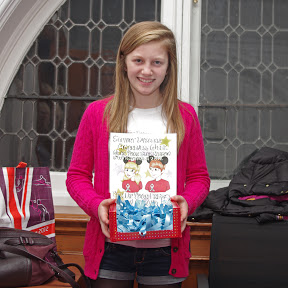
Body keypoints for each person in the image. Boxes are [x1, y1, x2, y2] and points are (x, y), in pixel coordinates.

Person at [66, 21, 210, 288]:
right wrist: (97, 206)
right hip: (109, 249)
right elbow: (77, 176)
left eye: (157, 62)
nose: (146, 71)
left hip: (166, 250)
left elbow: (199, 177)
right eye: (138, 60)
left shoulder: (185, 116)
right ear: (124, 62)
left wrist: (186, 203)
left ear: (169, 67)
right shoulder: (99, 114)